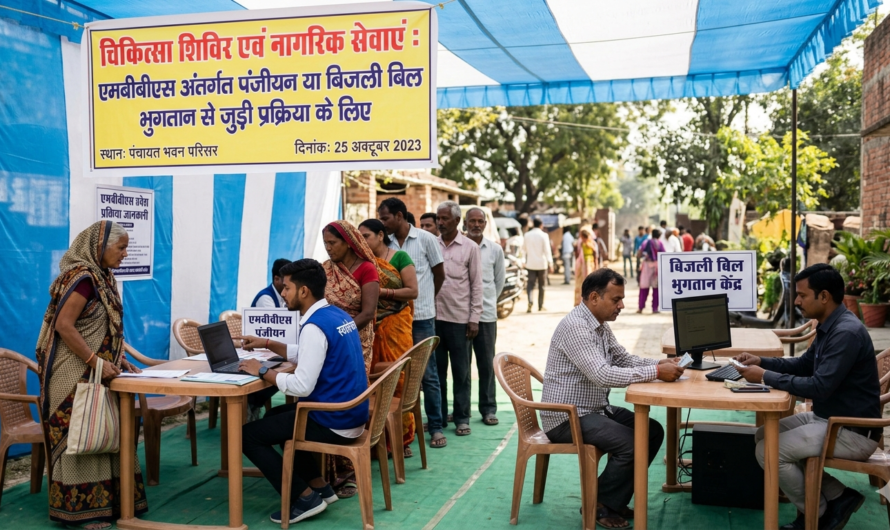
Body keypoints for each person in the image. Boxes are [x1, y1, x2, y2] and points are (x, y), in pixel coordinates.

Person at [734, 264, 881, 530]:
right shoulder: (831, 325)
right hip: (831, 418)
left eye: (802, 295)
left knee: (768, 451)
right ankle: (839, 496)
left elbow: (819, 387)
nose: (797, 301)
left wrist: (764, 377)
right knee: (762, 435)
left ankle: (817, 514)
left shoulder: (845, 333)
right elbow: (804, 365)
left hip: (853, 432)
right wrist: (762, 362)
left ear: (824, 296)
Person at [542, 268, 684, 529]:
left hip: (593, 409)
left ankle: (612, 500)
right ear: (594, 297)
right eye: (616, 299)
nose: (622, 305)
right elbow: (603, 375)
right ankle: (600, 504)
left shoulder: (599, 326)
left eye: (621, 299)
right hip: (566, 417)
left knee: (651, 431)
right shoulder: (577, 327)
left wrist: (660, 363)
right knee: (631, 442)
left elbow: (623, 358)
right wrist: (655, 372)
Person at [35, 221, 147, 528]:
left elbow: (105, 327)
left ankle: (110, 505)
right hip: (72, 373)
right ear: (99, 247)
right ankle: (82, 514)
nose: (126, 254)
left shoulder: (102, 277)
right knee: (83, 436)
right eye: (121, 248)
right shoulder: (83, 279)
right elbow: (64, 326)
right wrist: (95, 361)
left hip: (98, 371)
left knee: (103, 432)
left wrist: (117, 357)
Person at [239, 259, 368, 525]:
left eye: (286, 288)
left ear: (303, 291)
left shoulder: (313, 326)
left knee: (247, 436)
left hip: (334, 420)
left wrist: (261, 371)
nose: (282, 293)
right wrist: (267, 343)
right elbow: (309, 352)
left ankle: (304, 498)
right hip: (350, 413)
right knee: (276, 416)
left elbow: (301, 386)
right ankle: (319, 487)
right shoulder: (336, 315)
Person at [378, 197, 448, 448]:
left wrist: (426, 300)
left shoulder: (426, 239)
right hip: (392, 321)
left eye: (385, 218)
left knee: (427, 374)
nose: (382, 223)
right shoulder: (384, 243)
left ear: (399, 215)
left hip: (421, 319)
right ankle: (403, 433)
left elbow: (439, 275)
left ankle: (436, 427)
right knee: (397, 376)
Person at [357, 219, 419, 458]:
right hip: (370, 328)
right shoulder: (361, 264)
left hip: (396, 326)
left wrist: (381, 292)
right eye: (359, 237)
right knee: (370, 383)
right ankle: (374, 438)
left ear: (381, 235)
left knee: (398, 381)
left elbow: (412, 291)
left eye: (367, 236)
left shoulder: (399, 258)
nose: (363, 241)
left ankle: (401, 440)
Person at [435, 201, 483, 436]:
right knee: (437, 373)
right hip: (434, 319)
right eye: (438, 218)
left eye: (445, 219)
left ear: (456, 221)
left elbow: (476, 285)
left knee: (461, 373)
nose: (440, 222)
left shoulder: (470, 247)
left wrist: (474, 318)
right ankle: (439, 418)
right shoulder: (431, 244)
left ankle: (462, 418)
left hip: (460, 320)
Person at [464, 207, 506, 427]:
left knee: (486, 365)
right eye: (473, 221)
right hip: (461, 315)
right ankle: (462, 411)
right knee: (462, 366)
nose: (477, 225)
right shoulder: (461, 247)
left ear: (485, 223)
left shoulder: (495, 250)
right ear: (465, 222)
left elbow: (499, 282)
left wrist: (485, 303)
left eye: (481, 221)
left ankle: (488, 408)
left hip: (487, 315)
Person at [320, 221, 379, 371]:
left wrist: (340, 334)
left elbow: (367, 313)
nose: (328, 248)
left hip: (355, 337)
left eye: (332, 243)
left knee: (352, 383)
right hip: (327, 335)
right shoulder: (325, 268)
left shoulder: (367, 269)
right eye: (325, 243)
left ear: (348, 242)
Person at [523, 217, 553, 313]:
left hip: (530, 264)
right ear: (541, 225)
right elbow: (547, 251)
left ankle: (530, 301)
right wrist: (550, 263)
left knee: (530, 285)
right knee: (542, 285)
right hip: (542, 264)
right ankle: (540, 305)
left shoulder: (527, 235)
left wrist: (524, 261)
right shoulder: (544, 235)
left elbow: (523, 250)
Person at [636, 228, 664, 313]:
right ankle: (655, 308)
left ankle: (641, 307)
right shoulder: (660, 243)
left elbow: (639, 253)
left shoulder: (646, 242)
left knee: (644, 287)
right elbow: (663, 254)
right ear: (659, 236)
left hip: (646, 267)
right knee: (656, 288)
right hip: (657, 267)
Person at [573, 227, 598, 306]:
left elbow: (595, 254)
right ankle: (581, 301)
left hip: (589, 264)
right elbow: (578, 254)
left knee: (589, 283)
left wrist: (596, 264)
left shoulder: (592, 243)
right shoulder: (581, 243)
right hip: (582, 264)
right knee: (581, 283)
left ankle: (588, 301)